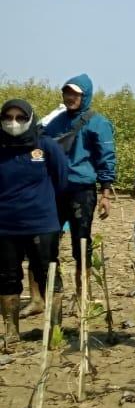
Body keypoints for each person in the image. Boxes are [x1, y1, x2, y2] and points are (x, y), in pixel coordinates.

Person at [41, 74, 116, 308]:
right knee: (48, 241)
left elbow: (107, 158)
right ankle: (55, 296)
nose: (70, 97)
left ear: (85, 96)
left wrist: (105, 194)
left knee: (81, 242)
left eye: (75, 94)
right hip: (55, 189)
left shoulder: (98, 123)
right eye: (67, 93)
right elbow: (41, 145)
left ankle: (83, 295)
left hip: (82, 190)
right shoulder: (57, 121)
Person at [0, 100, 68, 350]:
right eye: (8, 117)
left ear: (30, 118)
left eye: (20, 117)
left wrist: (47, 209)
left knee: (48, 274)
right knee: (7, 278)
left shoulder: (46, 146)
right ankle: (11, 333)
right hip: (5, 226)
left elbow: (62, 181)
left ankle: (55, 332)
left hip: (41, 223)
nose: (14, 123)